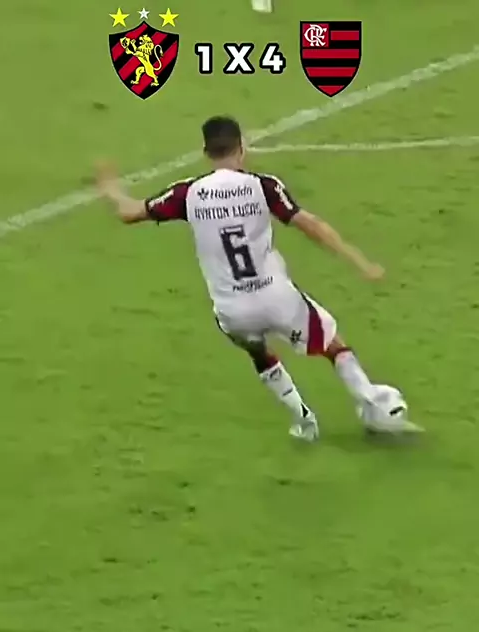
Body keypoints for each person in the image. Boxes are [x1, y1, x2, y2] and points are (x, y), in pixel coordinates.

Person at [96, 115, 398, 442]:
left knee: (258, 351)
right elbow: (311, 225)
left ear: (205, 151)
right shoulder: (263, 186)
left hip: (232, 310)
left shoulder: (188, 194)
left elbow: (129, 212)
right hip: (276, 299)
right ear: (242, 147)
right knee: (333, 345)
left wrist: (112, 189)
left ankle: (303, 421)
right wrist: (360, 262)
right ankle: (373, 404)